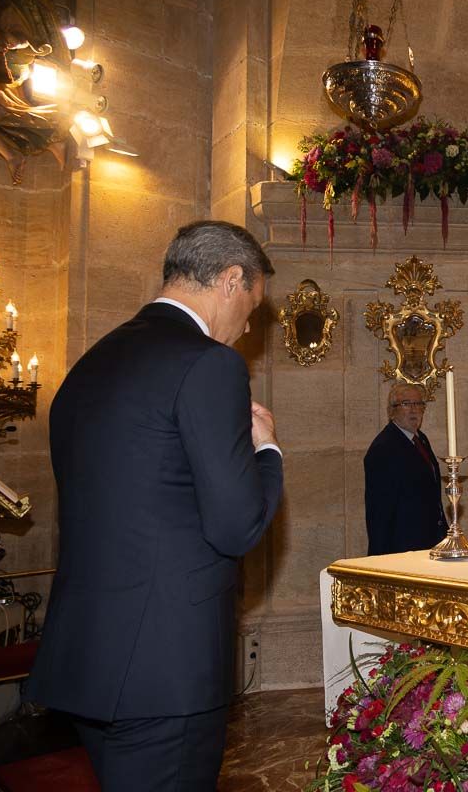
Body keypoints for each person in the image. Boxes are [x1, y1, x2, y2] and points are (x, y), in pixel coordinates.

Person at [24, 221, 284, 791]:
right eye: (252, 306)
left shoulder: (91, 363)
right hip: (166, 668)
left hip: (89, 660)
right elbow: (237, 526)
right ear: (231, 279)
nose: (245, 328)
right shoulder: (208, 365)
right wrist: (266, 450)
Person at [364, 382, 447, 555]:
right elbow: (380, 512)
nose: (414, 409)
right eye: (406, 404)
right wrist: (381, 557)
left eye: (418, 404)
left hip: (429, 540)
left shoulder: (420, 439)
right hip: (402, 546)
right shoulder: (384, 448)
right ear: (391, 411)